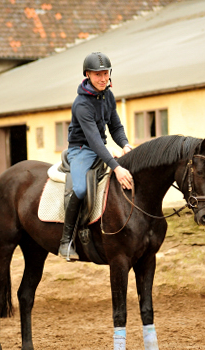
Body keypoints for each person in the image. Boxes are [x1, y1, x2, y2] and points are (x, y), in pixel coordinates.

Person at [58, 51, 133, 261]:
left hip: (101, 147)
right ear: (88, 75)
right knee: (80, 189)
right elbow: (94, 141)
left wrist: (126, 145)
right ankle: (66, 241)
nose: (103, 78)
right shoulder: (81, 104)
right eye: (97, 74)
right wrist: (116, 167)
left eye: (105, 73)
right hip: (81, 150)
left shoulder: (108, 95)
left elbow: (115, 126)